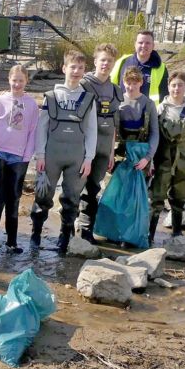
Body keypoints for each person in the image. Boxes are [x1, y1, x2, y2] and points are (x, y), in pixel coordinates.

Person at [30, 50, 97, 254]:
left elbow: (92, 129)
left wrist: (89, 158)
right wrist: (40, 154)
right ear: (64, 68)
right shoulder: (51, 96)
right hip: (51, 155)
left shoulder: (88, 99)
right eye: (73, 67)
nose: (76, 71)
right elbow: (41, 128)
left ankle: (64, 236)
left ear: (84, 71)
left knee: (71, 197)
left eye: (81, 68)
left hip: (77, 157)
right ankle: (35, 234)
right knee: (43, 195)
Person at [0, 65, 39, 254]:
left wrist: (27, 155)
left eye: (21, 80)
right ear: (9, 80)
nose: (17, 84)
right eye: (14, 80)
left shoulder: (31, 104)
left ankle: (12, 241)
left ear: (26, 81)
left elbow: (32, 131)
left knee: (13, 197)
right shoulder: (0, 100)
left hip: (18, 156)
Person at [77, 43, 123, 244]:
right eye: (102, 60)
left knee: (94, 187)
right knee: (76, 186)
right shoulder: (84, 85)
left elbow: (114, 122)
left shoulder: (114, 90)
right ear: (95, 61)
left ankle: (87, 229)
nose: (105, 64)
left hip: (104, 146)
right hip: (84, 145)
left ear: (113, 64)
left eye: (110, 61)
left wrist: (112, 151)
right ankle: (69, 228)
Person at [149, 71, 185, 245]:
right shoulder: (160, 108)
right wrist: (150, 162)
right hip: (162, 160)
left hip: (184, 162)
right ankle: (149, 235)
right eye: (173, 85)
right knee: (156, 198)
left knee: (179, 198)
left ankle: (177, 234)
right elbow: (153, 137)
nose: (176, 89)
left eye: (180, 85)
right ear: (168, 87)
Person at [115, 66, 159, 170]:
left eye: (135, 83)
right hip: (119, 155)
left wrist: (147, 158)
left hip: (141, 157)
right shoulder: (117, 102)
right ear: (123, 82)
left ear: (141, 83)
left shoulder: (149, 104)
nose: (131, 87)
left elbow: (155, 133)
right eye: (128, 83)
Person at [111, 30, 168, 105]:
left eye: (147, 43)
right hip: (123, 111)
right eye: (140, 42)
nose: (144, 45)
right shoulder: (122, 62)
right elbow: (111, 86)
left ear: (153, 46)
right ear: (135, 44)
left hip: (148, 113)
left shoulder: (161, 68)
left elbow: (164, 95)